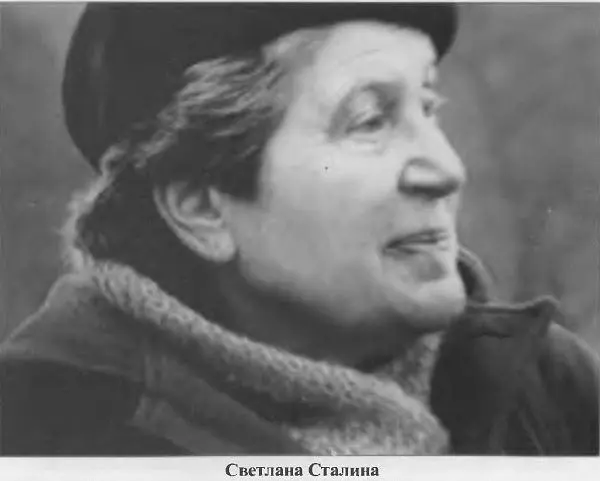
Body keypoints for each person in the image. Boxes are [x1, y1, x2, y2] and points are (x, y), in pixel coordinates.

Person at [0, 3, 597, 456]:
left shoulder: (546, 384)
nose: (447, 169)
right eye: (370, 120)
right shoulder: (37, 428)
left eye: (428, 107)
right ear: (201, 208)